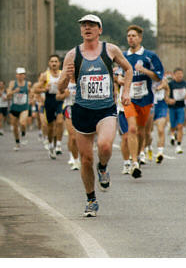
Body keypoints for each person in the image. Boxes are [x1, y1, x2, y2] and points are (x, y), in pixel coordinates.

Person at [57, 14, 132, 217]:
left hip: (106, 109)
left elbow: (128, 69)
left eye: (91, 25)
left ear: (99, 29)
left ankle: (104, 167)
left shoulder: (110, 50)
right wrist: (65, 76)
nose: (87, 28)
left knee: (105, 146)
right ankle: (91, 199)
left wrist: (125, 92)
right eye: (83, 25)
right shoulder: (72, 55)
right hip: (82, 110)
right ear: (81, 30)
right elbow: (60, 87)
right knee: (86, 159)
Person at [123, 25, 164, 178]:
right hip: (129, 98)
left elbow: (159, 76)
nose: (131, 38)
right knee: (132, 130)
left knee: (141, 132)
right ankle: (133, 163)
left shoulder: (150, 56)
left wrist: (144, 70)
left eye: (133, 36)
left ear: (140, 38)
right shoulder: (123, 56)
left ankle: (139, 153)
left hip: (146, 99)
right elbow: (118, 75)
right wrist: (119, 79)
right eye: (128, 36)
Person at [35, 54, 65, 159]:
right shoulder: (45, 75)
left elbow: (68, 86)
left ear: (59, 63)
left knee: (60, 122)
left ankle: (59, 145)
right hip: (49, 100)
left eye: (56, 61)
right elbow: (36, 89)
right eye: (52, 61)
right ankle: (51, 144)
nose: (54, 63)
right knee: (51, 127)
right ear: (49, 63)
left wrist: (64, 89)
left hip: (60, 100)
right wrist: (44, 89)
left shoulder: (63, 74)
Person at [165, 68, 186, 154]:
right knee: (173, 125)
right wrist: (169, 100)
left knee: (180, 126)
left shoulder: (185, 84)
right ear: (174, 75)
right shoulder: (170, 84)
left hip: (181, 107)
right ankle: (172, 135)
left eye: (181, 74)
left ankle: (179, 144)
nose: (180, 75)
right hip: (172, 107)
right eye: (178, 74)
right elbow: (166, 96)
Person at [7, 67, 32, 150]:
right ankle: (17, 142)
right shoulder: (12, 83)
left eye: (22, 74)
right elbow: (8, 94)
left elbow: (31, 93)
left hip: (24, 107)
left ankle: (23, 133)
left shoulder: (28, 84)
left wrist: (32, 99)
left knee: (22, 123)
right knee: (14, 127)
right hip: (14, 108)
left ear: (24, 75)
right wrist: (14, 91)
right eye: (19, 74)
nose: (20, 76)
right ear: (16, 75)